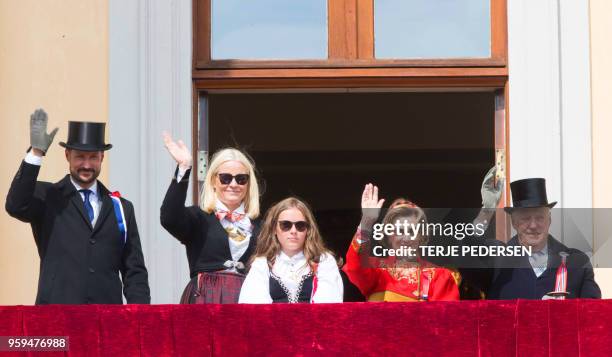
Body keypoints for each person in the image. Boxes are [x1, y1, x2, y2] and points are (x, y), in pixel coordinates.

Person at [5, 109, 150, 304]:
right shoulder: (47, 196)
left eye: (93, 157)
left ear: (102, 158)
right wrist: (36, 153)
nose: (87, 165)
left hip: (107, 323)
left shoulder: (122, 208)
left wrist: (140, 320)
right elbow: (16, 205)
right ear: (67, 155)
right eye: (80, 156)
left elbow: (135, 271)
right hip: (57, 319)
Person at [160, 133, 261, 303]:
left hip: (247, 299)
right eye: (225, 178)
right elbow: (169, 218)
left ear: (249, 184)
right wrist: (184, 167)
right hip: (205, 297)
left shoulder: (260, 226)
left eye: (241, 179)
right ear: (214, 181)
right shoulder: (199, 218)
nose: (233, 184)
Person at [462, 178, 601, 299]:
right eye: (525, 218)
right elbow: (465, 256)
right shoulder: (496, 260)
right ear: (514, 222)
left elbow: (593, 314)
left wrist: (562, 311)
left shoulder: (577, 262)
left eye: (540, 217)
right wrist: (486, 212)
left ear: (549, 220)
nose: (533, 225)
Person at [343, 184, 460, 302]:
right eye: (399, 231)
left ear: (421, 236)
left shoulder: (439, 276)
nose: (406, 238)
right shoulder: (377, 270)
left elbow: (446, 317)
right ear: (388, 236)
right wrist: (366, 222)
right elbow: (355, 268)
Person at [239, 197, 343, 303]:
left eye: (300, 225)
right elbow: (253, 307)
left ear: (308, 230)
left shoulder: (324, 261)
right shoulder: (262, 263)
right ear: (274, 228)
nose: (293, 231)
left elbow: (330, 306)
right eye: (285, 225)